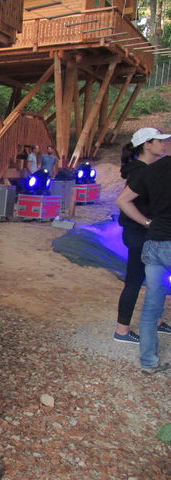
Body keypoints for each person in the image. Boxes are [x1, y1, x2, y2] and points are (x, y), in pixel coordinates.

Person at [116, 131, 171, 374]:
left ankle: (154, 332)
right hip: (141, 233)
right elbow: (124, 201)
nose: (164, 144)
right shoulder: (141, 171)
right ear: (146, 145)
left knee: (152, 288)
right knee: (135, 280)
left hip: (151, 235)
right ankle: (122, 329)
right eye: (160, 141)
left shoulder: (150, 169)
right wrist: (147, 222)